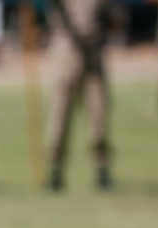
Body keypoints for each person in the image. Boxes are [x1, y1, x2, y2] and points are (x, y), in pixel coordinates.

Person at [44, 0, 115, 191]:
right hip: (67, 45)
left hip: (94, 47)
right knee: (61, 111)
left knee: (98, 111)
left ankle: (102, 170)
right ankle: (55, 170)